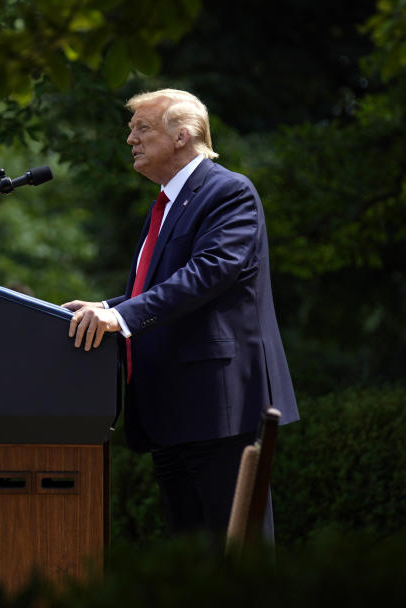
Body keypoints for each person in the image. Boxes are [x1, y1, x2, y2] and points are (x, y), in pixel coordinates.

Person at [64, 88, 299, 538]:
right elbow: (160, 288)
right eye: (131, 130)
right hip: (170, 408)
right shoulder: (166, 205)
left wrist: (124, 317)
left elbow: (208, 273)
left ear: (183, 135)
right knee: (194, 561)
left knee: (236, 554)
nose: (130, 139)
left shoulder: (228, 191)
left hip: (217, 406)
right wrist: (108, 306)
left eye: (142, 128)